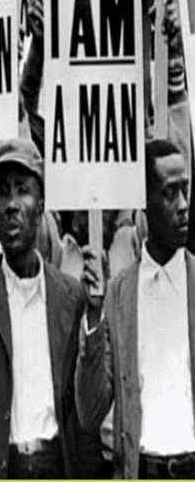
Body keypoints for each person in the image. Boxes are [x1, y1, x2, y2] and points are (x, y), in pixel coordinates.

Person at [0, 138, 91, 478]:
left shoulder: (70, 296)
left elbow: (85, 403)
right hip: (4, 466)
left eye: (22, 191)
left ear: (41, 205)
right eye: (1, 191)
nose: (11, 204)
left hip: (57, 465)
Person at [76, 140, 195, 479]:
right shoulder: (119, 293)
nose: (184, 205)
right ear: (143, 203)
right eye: (170, 193)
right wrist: (95, 315)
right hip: (140, 470)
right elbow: (90, 410)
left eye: (186, 189)